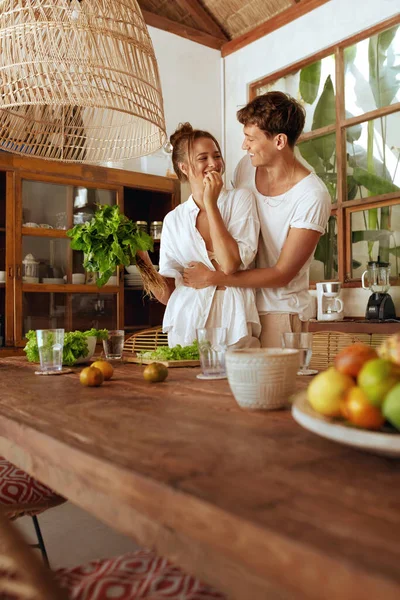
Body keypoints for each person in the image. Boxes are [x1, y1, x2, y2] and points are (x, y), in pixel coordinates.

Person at [183, 91, 331, 348]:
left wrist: (214, 278)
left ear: (280, 141)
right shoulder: (246, 167)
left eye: (251, 139)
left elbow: (282, 274)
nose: (244, 146)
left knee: (279, 388)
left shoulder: (311, 195)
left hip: (281, 314)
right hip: (240, 306)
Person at [137, 123, 261, 348]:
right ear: (184, 167)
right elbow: (168, 295)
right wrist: (142, 261)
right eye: (203, 158)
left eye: (217, 155)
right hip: (186, 324)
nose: (214, 164)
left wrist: (211, 204)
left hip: (233, 321)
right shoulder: (174, 220)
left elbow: (231, 263)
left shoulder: (240, 200)